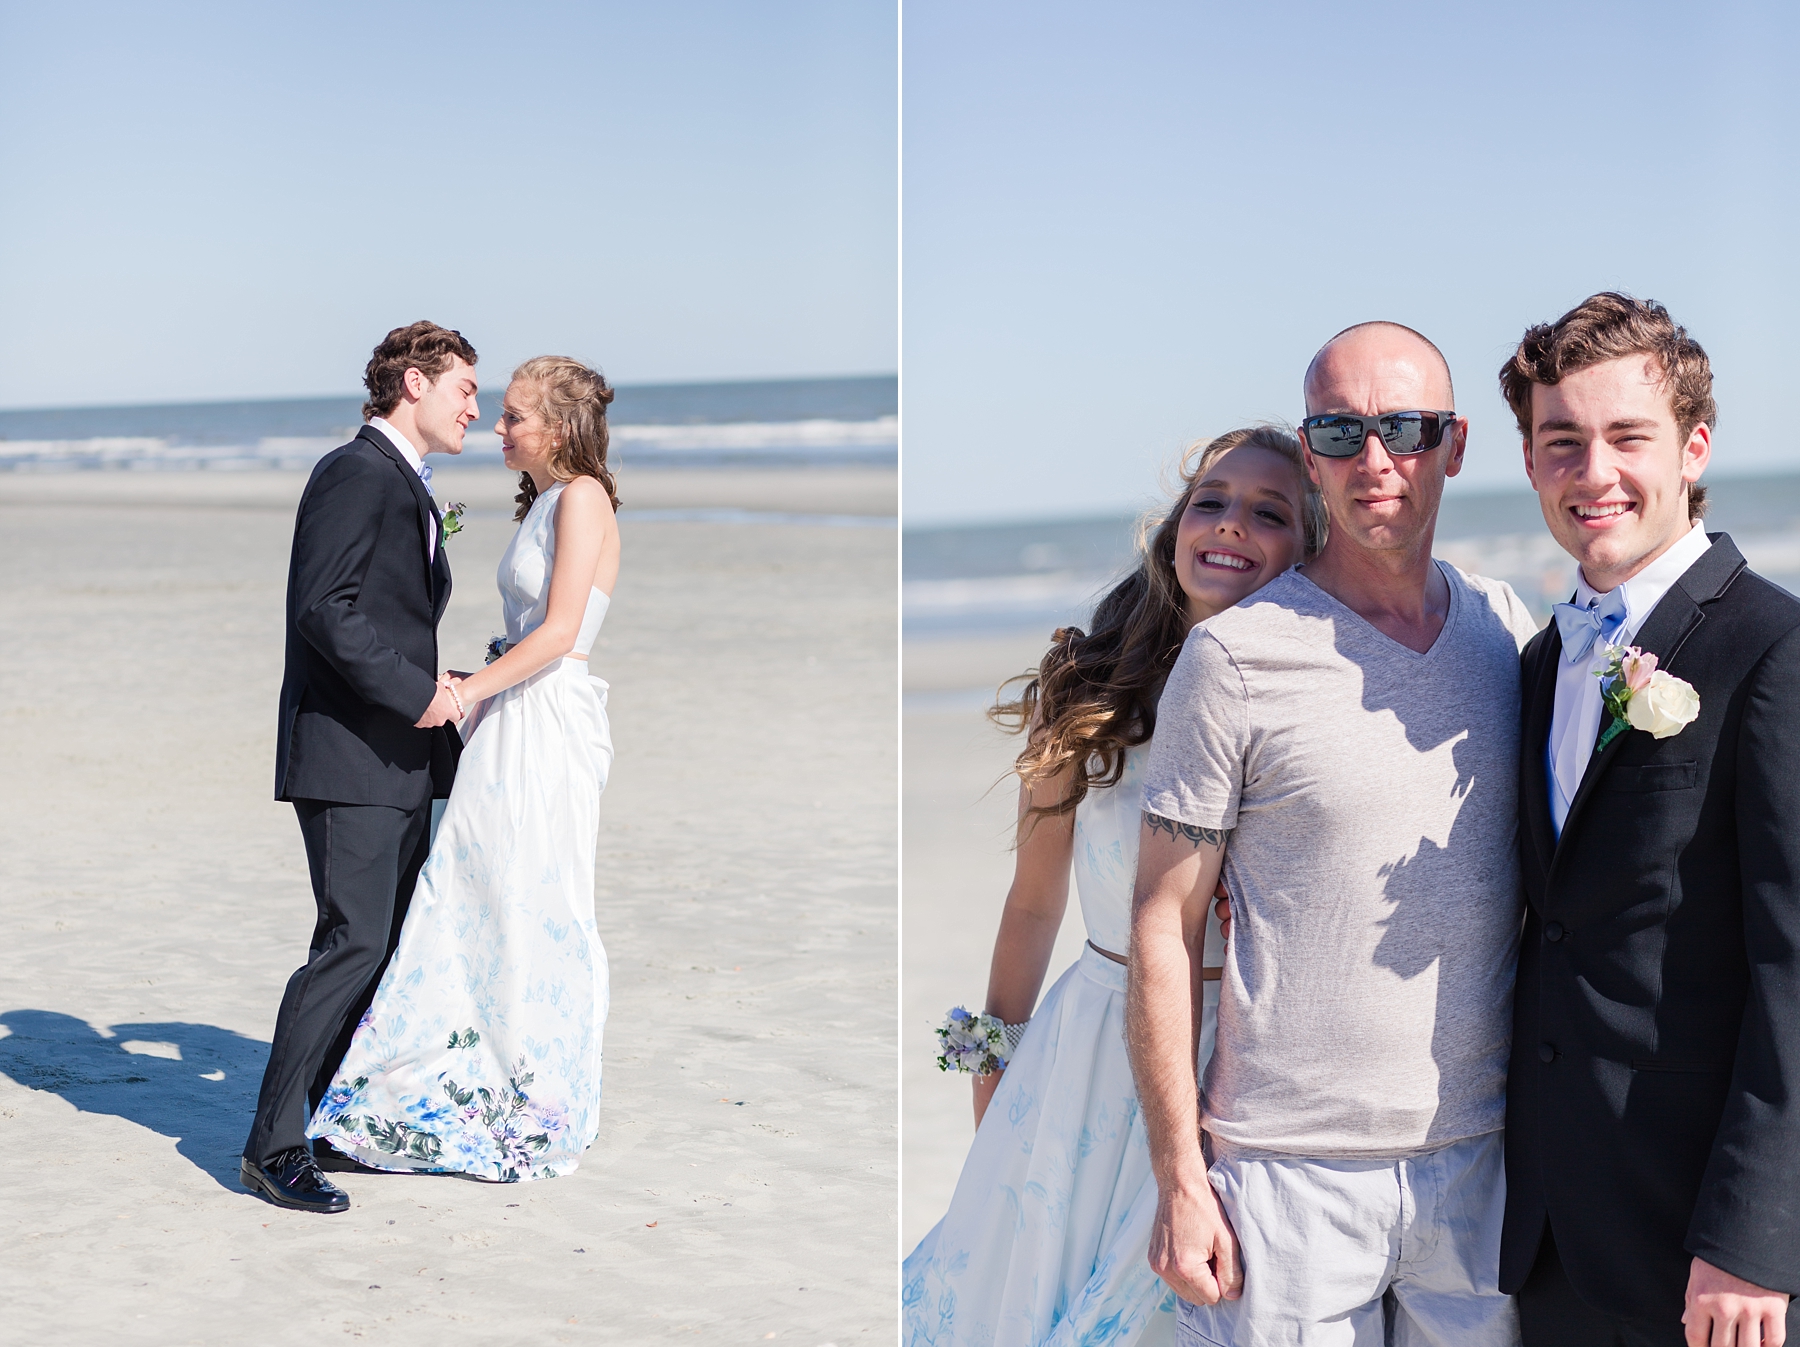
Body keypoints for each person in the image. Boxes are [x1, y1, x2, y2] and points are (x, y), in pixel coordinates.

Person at [1129, 322, 1540, 1344]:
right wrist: (1182, 1178)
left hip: (1485, 1163)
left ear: (1455, 444)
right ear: (1309, 454)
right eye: (1340, 430)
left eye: (1404, 428)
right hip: (1283, 1180)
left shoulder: (1509, 631)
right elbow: (1163, 927)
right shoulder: (1232, 660)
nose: (1375, 460)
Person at [903, 427, 1325, 1346]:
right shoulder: (1089, 688)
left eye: (1270, 512)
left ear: (1311, 544)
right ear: (1175, 528)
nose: (1230, 525)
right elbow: (1030, 905)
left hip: (1245, 1061)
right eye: (1210, 501)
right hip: (1084, 1060)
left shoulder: (1318, 704)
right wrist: (989, 1072)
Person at [1495, 293, 1800, 1346]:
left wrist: (1758, 1239)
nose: (1594, 473)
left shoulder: (1772, 647)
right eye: (1561, 442)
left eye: (1628, 437)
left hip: (1707, 1251)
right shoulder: (1539, 663)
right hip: (1552, 1235)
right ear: (1531, 462)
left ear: (1693, 447)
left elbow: (1794, 969)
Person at [307, 356, 621, 1182]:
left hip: (546, 722)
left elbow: (557, 635)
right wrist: (478, 696)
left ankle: (531, 1094)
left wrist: (468, 689)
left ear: (556, 426)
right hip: (508, 716)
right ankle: (455, 1078)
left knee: (527, 896)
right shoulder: (547, 502)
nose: (498, 424)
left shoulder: (583, 498)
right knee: (472, 892)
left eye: (516, 415)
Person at [242, 321, 479, 1213]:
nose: (473, 407)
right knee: (351, 945)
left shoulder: (404, 484)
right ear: (412, 383)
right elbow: (323, 609)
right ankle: (273, 1146)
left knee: (376, 951)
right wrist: (415, 692)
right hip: (349, 757)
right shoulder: (353, 472)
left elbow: (382, 612)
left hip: (397, 758)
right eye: (462, 386)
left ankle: (333, 1123)